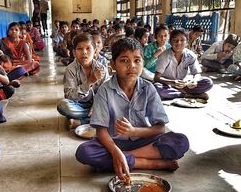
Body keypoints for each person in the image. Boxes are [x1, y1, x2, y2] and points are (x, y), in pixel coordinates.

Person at [75, 38, 189, 182]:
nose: (132, 66)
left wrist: (133, 132)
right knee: (84, 152)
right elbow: (101, 131)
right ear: (113, 65)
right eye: (124, 61)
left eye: (137, 60)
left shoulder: (148, 88)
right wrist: (115, 151)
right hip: (113, 142)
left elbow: (160, 128)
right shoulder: (105, 90)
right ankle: (149, 163)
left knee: (181, 141)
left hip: (142, 140)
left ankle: (124, 157)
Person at [57, 33, 109, 130]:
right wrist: (89, 82)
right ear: (74, 52)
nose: (84, 52)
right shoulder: (70, 69)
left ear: (95, 51)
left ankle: (80, 121)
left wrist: (96, 107)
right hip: (79, 104)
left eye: (88, 48)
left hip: (98, 104)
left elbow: (106, 93)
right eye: (80, 49)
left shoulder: (101, 69)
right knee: (63, 106)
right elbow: (69, 95)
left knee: (114, 106)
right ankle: (94, 119)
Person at [153, 29, 213, 100]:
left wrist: (194, 81)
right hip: (167, 84)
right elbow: (156, 78)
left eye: (182, 40)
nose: (178, 43)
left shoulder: (191, 55)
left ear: (187, 42)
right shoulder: (164, 55)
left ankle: (178, 93)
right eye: (175, 40)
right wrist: (172, 82)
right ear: (170, 42)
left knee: (208, 82)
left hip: (184, 85)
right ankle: (189, 95)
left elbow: (197, 73)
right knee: (157, 88)